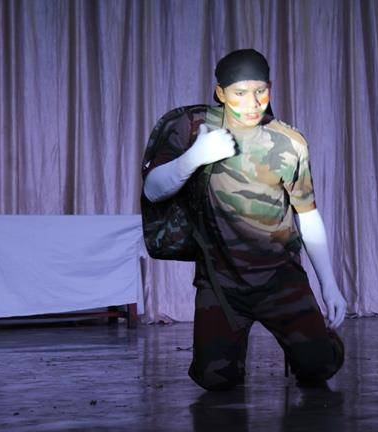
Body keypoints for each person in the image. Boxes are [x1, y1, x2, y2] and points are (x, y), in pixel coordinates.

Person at [142, 48, 346, 391]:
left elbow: (308, 215)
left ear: (269, 88)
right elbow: (153, 190)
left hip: (280, 278)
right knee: (214, 380)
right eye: (239, 93)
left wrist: (329, 284)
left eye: (260, 91)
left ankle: (319, 345)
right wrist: (194, 157)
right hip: (220, 280)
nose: (252, 103)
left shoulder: (289, 142)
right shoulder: (193, 129)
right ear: (221, 93)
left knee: (319, 366)